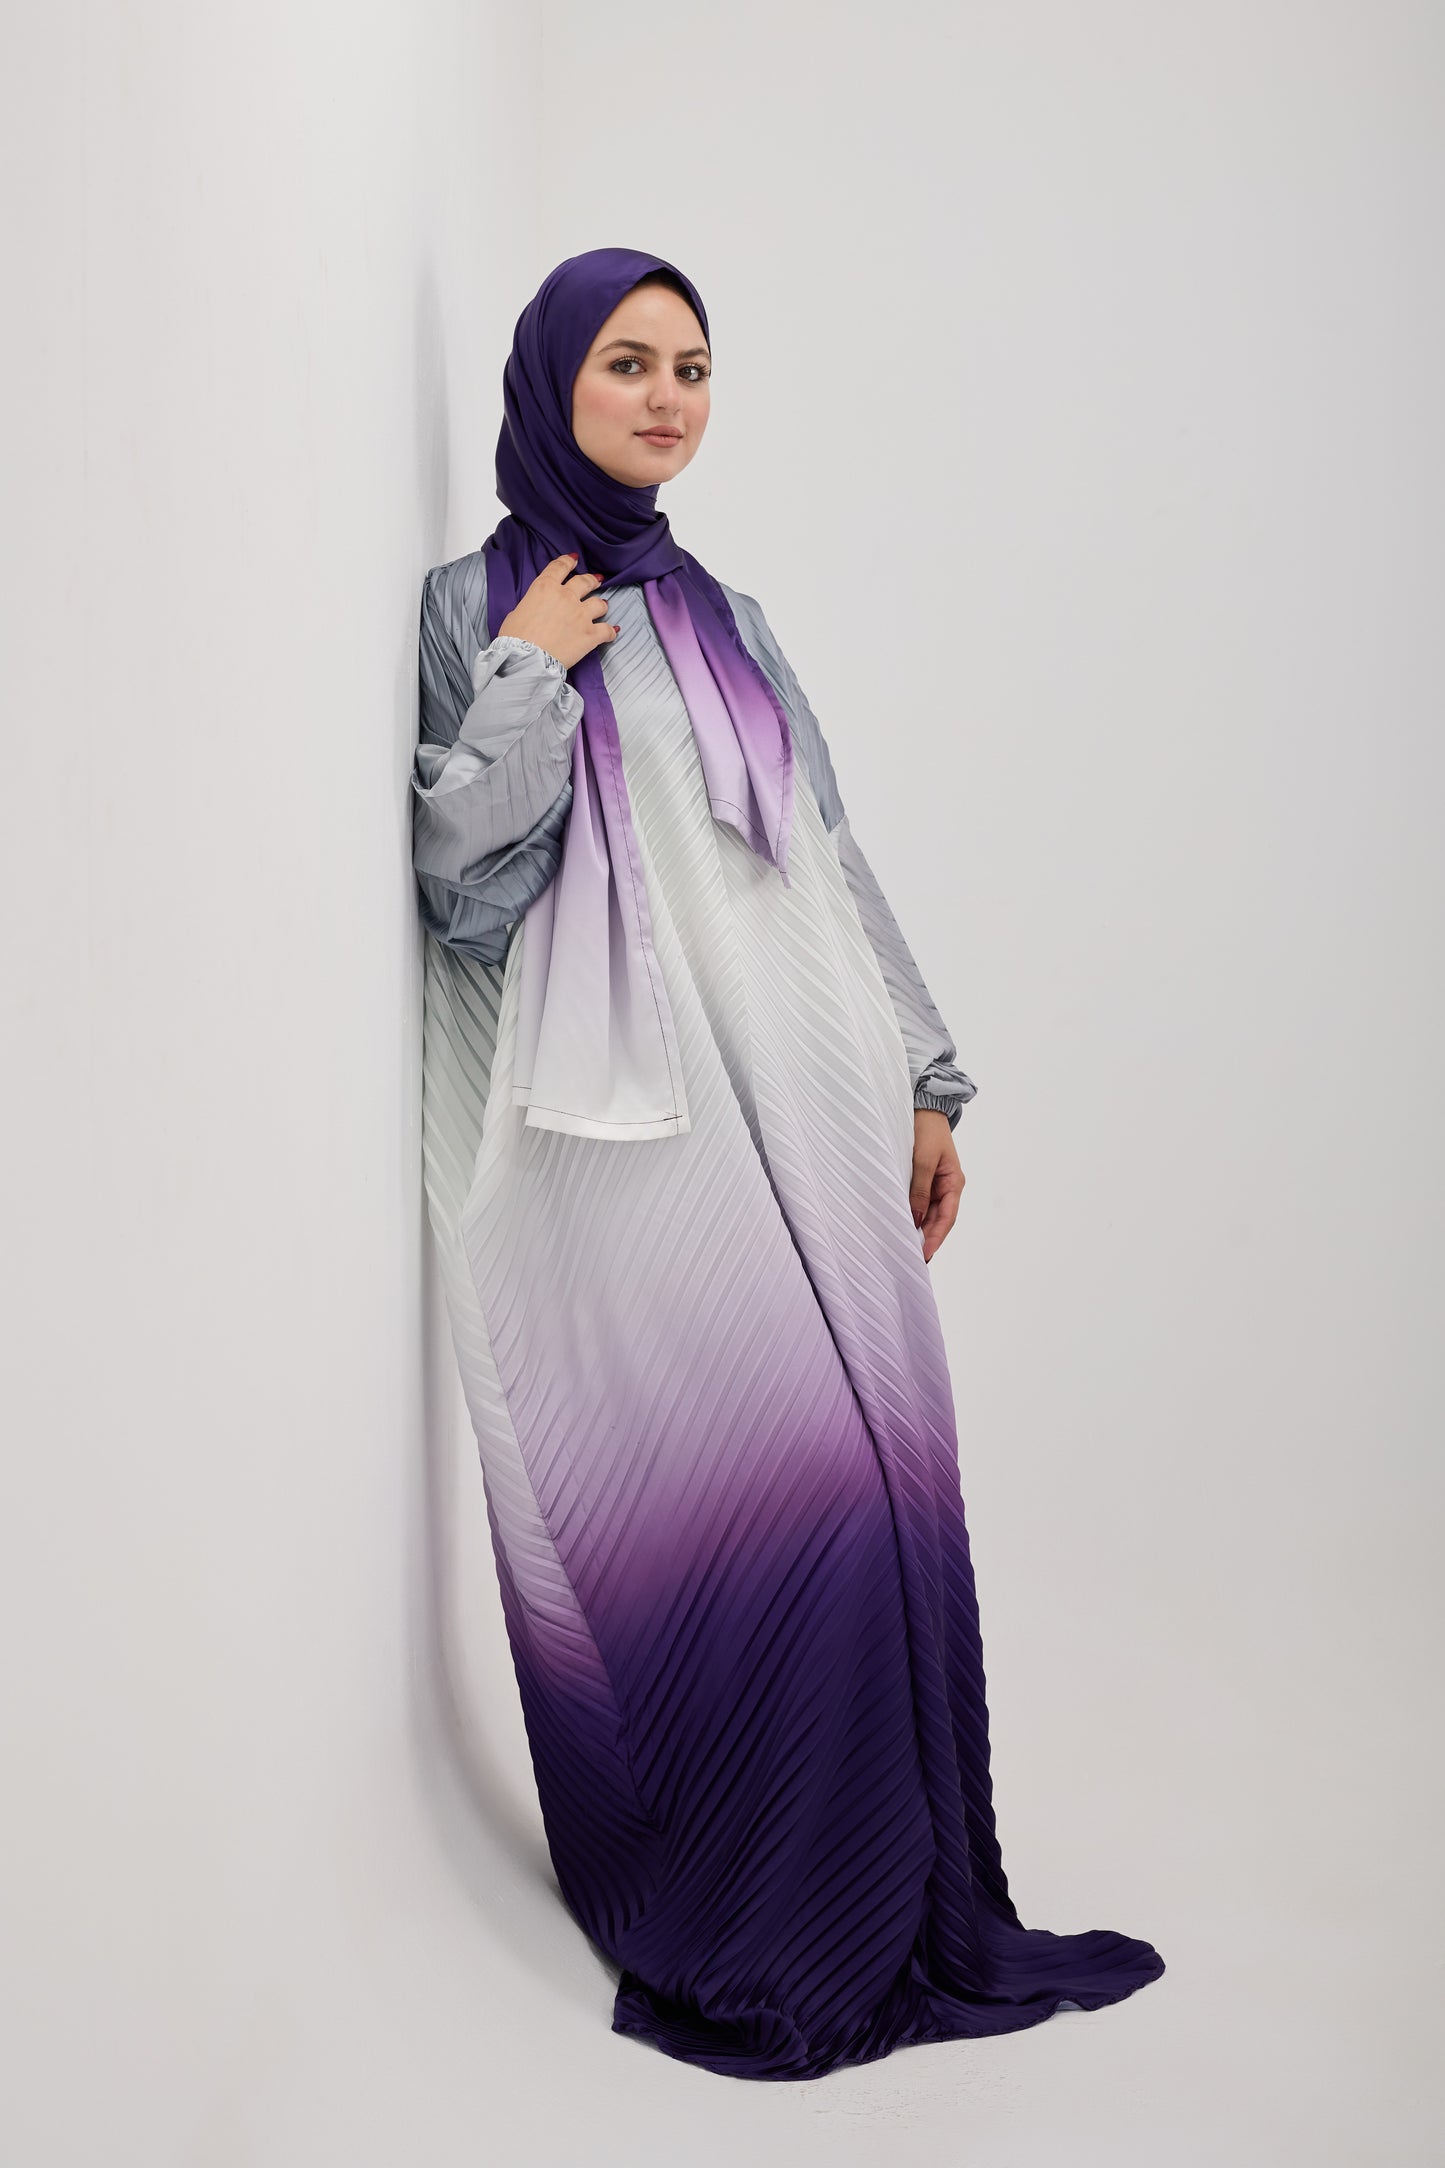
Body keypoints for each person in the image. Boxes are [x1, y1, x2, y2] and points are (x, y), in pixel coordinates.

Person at [412, 246, 1164, 2082]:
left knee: (875, 1491)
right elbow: (461, 891)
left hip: (812, 1089)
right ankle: (757, 1906)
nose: (666, 399)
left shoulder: (730, 615)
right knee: (739, 1511)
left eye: (691, 368)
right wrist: (525, 677)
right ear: (548, 383)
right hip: (624, 1132)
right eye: (626, 363)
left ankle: (895, 1898)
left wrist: (926, 1078)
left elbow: (825, 854)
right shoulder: (474, 608)